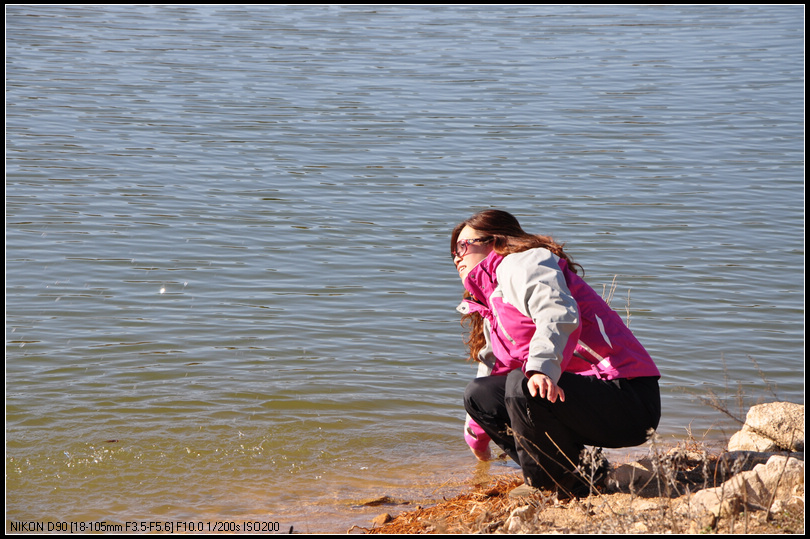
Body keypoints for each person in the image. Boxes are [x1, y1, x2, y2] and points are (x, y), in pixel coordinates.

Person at [451, 209, 661, 498]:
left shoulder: (522, 263)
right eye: (453, 253)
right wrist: (476, 434)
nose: (457, 257)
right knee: (478, 393)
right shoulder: (492, 303)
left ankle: (551, 485)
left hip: (627, 397)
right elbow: (493, 370)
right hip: (579, 399)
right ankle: (581, 472)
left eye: (464, 246)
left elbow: (557, 313)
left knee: (522, 384)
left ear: (496, 241)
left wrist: (540, 368)